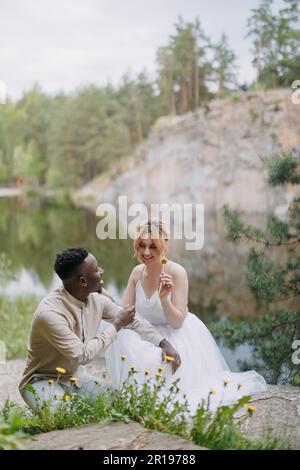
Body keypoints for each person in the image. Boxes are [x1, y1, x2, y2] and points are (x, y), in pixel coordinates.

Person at [105, 219, 267, 413]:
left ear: (163, 245)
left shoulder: (176, 272)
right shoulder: (136, 273)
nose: (146, 252)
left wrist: (164, 298)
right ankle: (136, 390)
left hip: (177, 334)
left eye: (153, 246)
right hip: (148, 333)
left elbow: (176, 322)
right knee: (120, 335)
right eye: (141, 246)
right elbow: (125, 313)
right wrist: (103, 296)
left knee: (164, 370)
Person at [19, 247, 180, 411]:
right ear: (83, 281)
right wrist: (116, 325)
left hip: (75, 378)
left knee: (122, 401)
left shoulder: (95, 300)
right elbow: (82, 355)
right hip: (40, 380)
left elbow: (132, 320)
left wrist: (163, 342)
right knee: (66, 415)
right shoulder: (49, 314)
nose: (101, 272)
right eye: (96, 269)